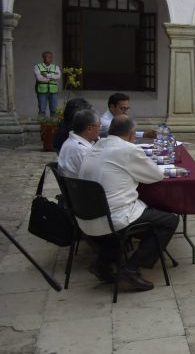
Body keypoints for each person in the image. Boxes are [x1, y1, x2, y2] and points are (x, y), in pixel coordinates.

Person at [77, 115, 179, 291]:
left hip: (86, 216)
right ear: (132, 134)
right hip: (113, 217)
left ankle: (102, 264)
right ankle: (131, 268)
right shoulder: (127, 150)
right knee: (169, 220)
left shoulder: (97, 146)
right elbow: (154, 175)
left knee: (122, 219)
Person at [58, 109, 101, 177]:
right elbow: (97, 174)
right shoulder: (82, 150)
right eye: (99, 126)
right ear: (89, 129)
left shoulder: (69, 141)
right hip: (82, 186)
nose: (100, 129)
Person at [34, 51, 61, 117]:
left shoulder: (56, 67)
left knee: (54, 111)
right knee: (42, 111)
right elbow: (39, 78)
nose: (50, 59)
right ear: (43, 58)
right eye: (48, 57)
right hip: (42, 90)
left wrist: (46, 75)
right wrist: (52, 76)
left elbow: (58, 76)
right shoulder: (37, 66)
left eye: (51, 57)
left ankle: (53, 126)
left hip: (53, 91)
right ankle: (41, 126)